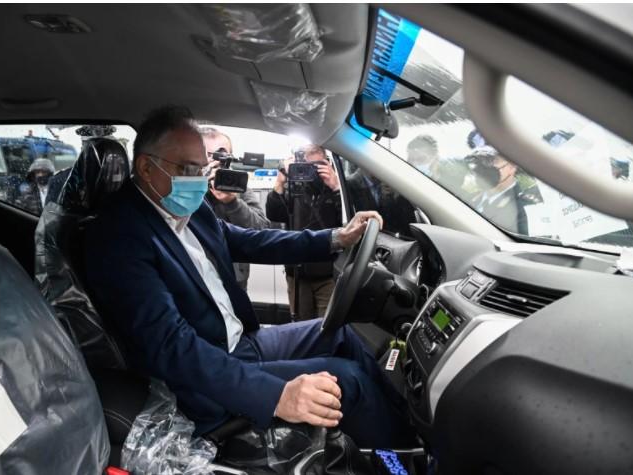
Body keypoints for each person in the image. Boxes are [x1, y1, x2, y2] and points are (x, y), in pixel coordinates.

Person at [84, 106, 415, 448]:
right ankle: (404, 457)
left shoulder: (185, 207)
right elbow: (170, 344)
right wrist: (277, 395)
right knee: (346, 381)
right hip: (204, 378)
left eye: (202, 169)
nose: (198, 180)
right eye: (187, 169)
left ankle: (407, 426)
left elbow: (252, 241)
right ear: (145, 167)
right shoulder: (118, 236)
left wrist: (335, 238)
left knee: (342, 334)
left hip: (241, 343)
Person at [265, 144, 343, 320]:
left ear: (328, 163)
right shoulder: (294, 190)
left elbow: (346, 221)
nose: (312, 172)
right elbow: (274, 214)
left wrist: (336, 187)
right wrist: (280, 181)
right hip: (298, 273)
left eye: (317, 166)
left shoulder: (334, 190)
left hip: (328, 272)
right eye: (307, 167)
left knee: (327, 324)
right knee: (302, 325)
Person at [199, 126, 270, 291]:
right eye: (210, 155)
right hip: (196, 275)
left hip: (234, 277)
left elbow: (261, 229)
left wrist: (232, 202)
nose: (217, 162)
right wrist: (198, 184)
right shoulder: (186, 184)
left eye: (224, 156)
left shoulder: (237, 184)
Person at [468, 147, 529, 234]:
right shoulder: (468, 198)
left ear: (511, 167)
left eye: (490, 168)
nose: (482, 174)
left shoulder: (524, 206)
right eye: (478, 169)